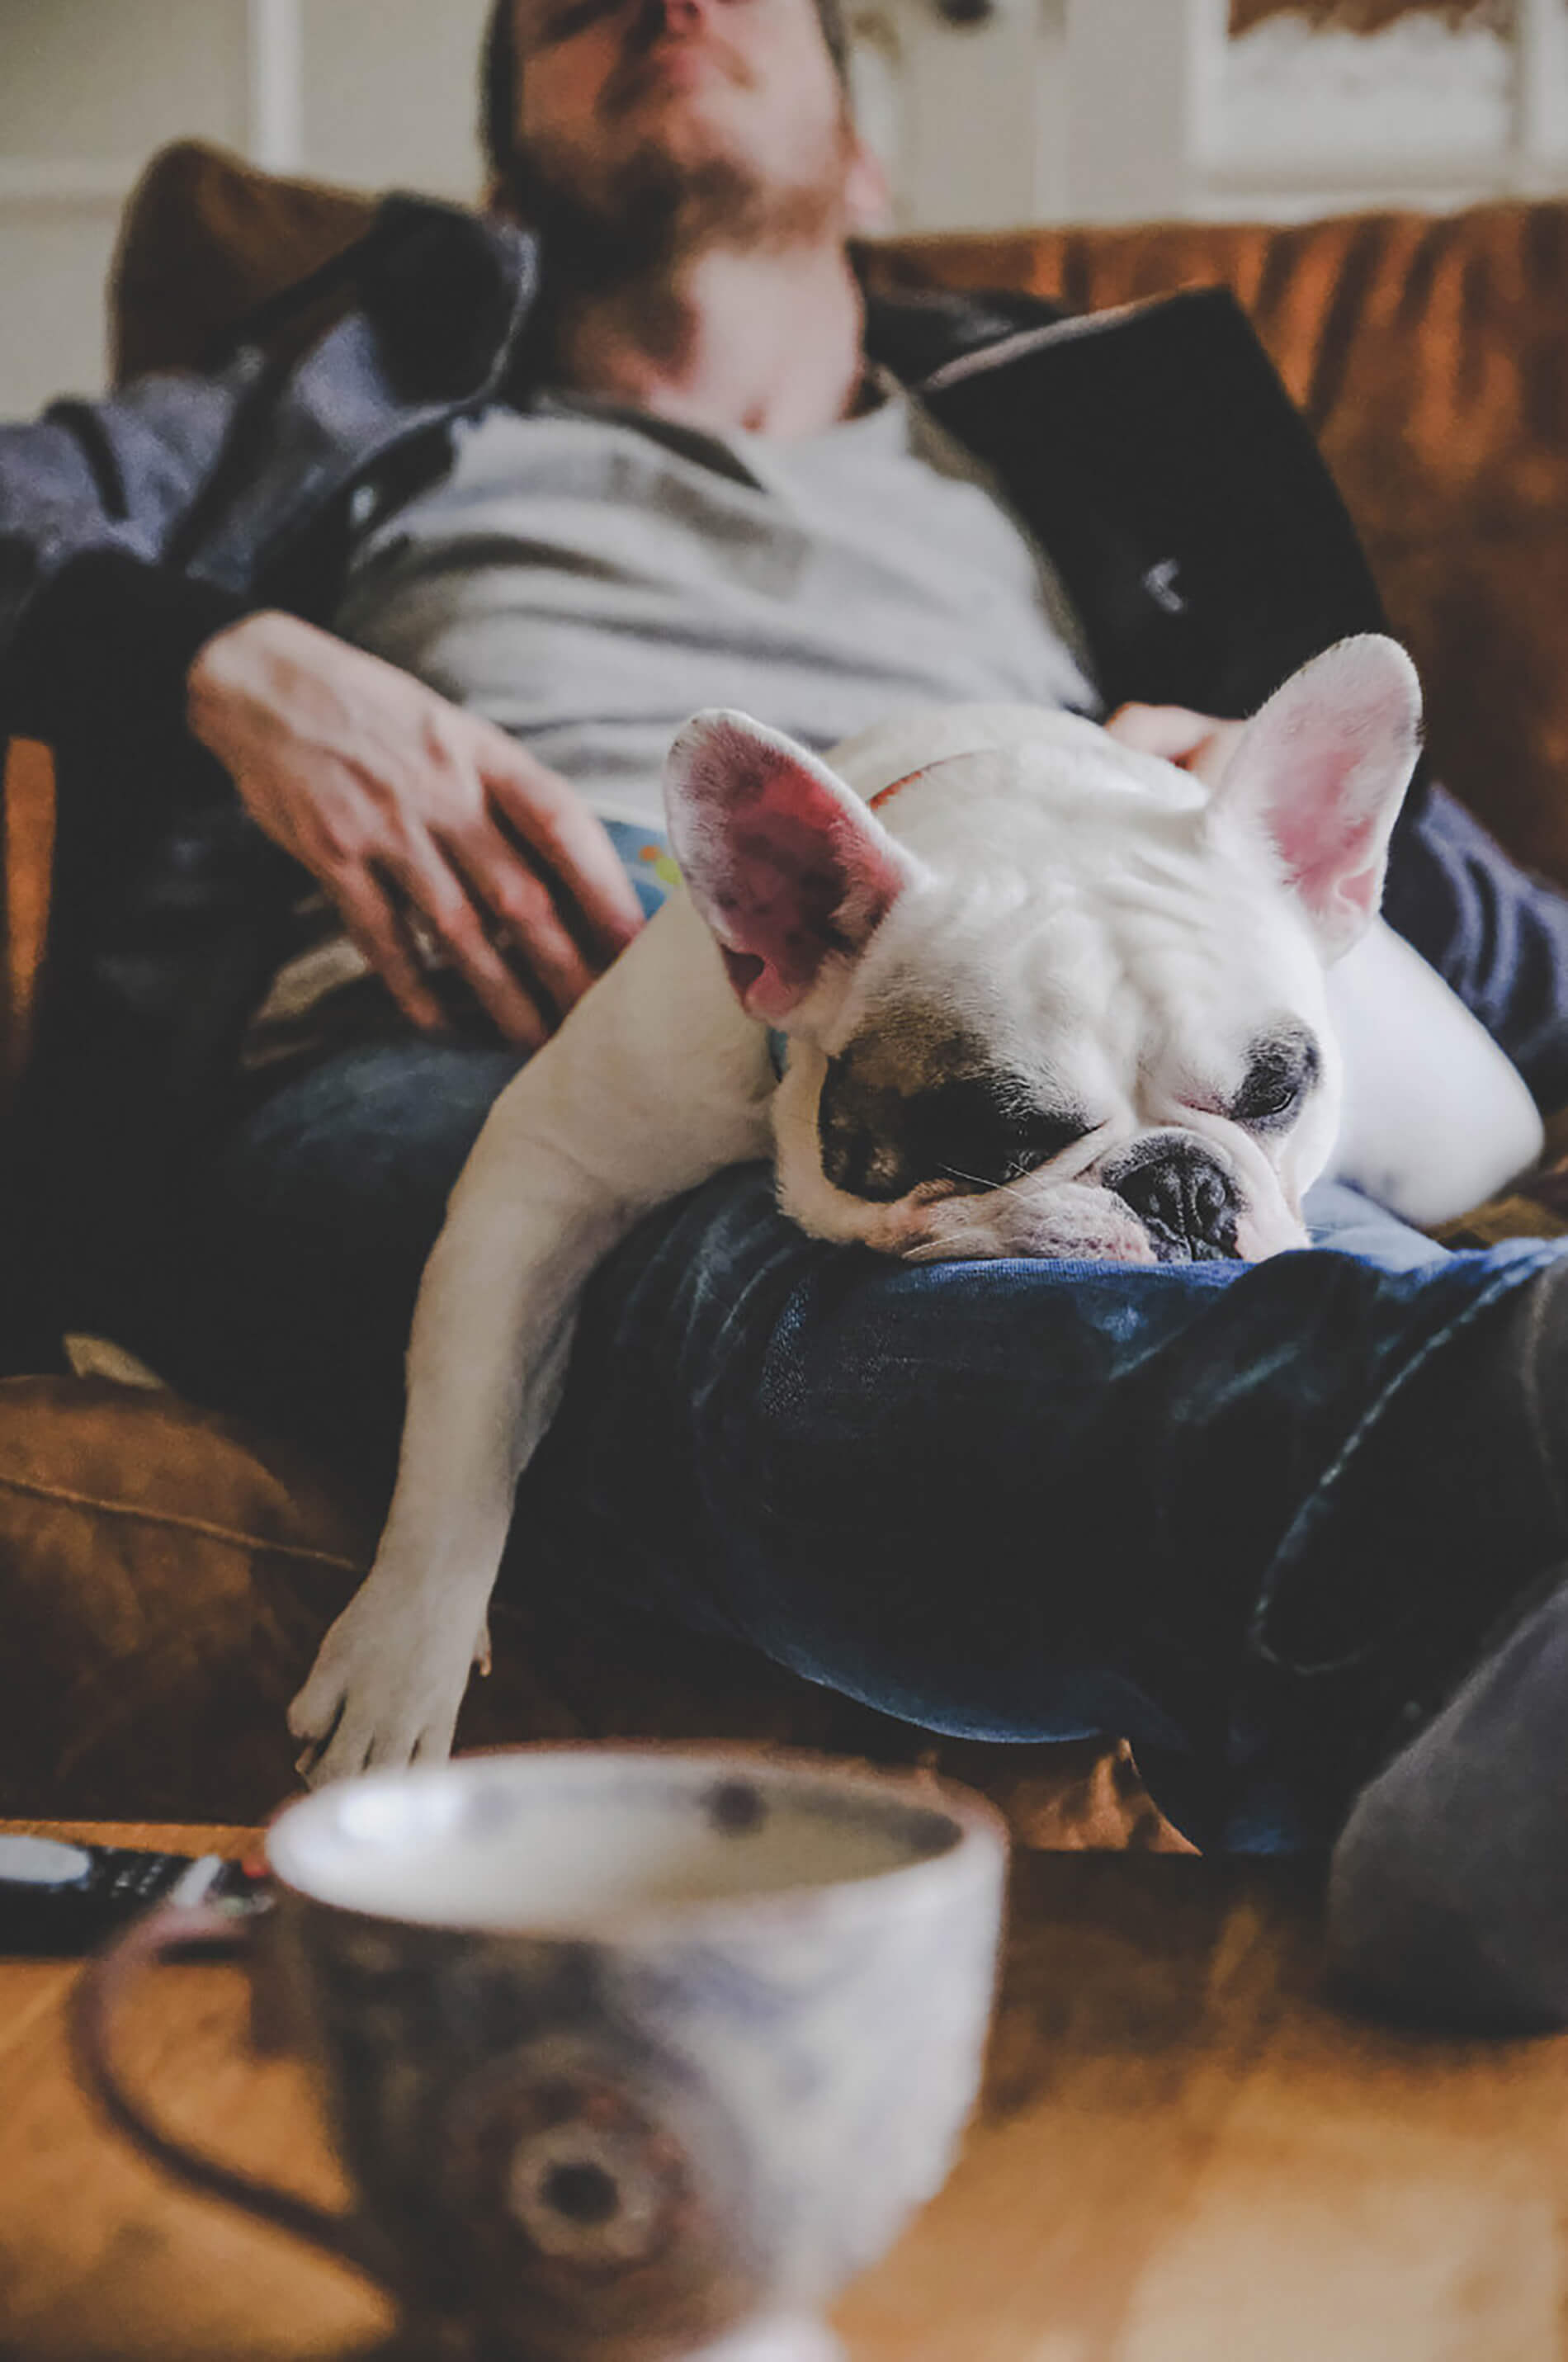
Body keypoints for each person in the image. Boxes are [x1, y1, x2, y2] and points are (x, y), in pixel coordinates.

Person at [6, 0, 1568, 2024]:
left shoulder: (1104, 442)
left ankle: (1438, 1736)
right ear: (504, 167)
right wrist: (232, 663)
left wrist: (1270, 824)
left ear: (866, 153)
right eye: (581, 5)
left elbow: (1479, 957)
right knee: (740, 1290)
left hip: (1063, 988)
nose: (666, 5)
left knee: (1293, 1246)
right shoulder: (337, 400)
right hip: (414, 1047)